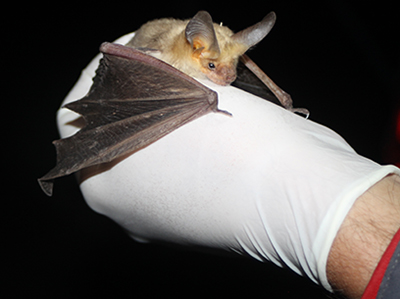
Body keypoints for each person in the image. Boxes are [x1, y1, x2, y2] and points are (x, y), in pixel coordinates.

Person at [56, 33, 400, 298]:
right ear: (195, 51)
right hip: (151, 66)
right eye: (212, 67)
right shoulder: (176, 59)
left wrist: (337, 219)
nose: (226, 76)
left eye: (231, 68)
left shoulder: (220, 58)